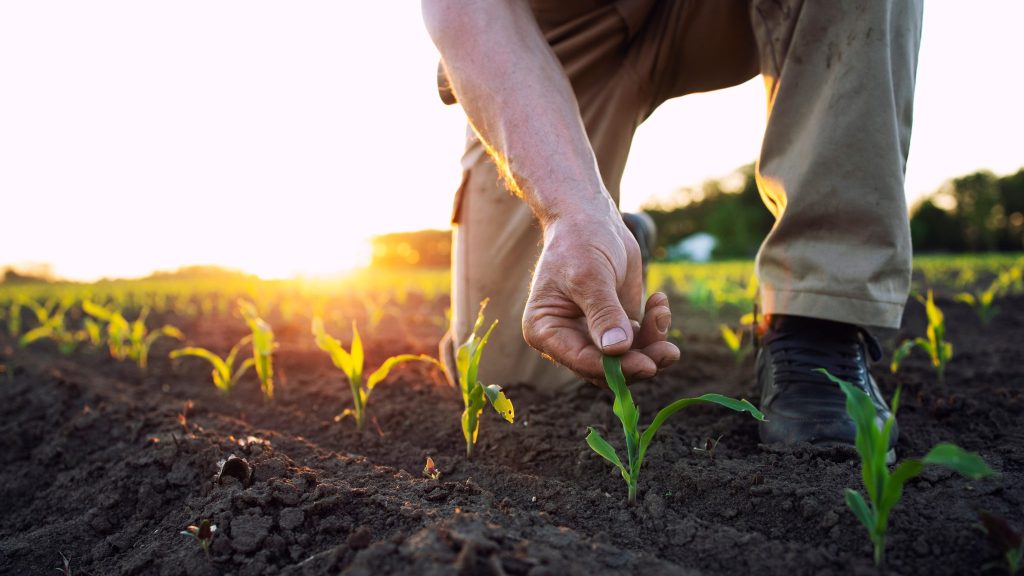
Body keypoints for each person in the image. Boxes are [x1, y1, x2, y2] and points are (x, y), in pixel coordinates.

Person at [422, 0, 922, 452]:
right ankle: (611, 238)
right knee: (511, 375)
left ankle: (819, 318)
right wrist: (572, 213)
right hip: (564, 24)